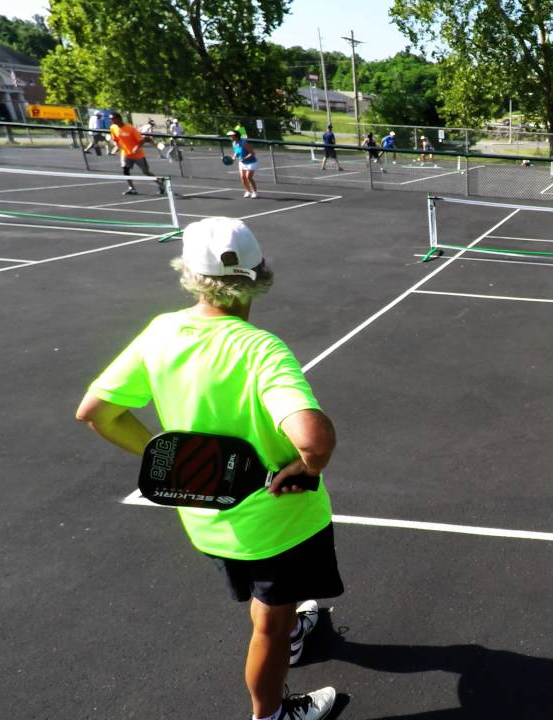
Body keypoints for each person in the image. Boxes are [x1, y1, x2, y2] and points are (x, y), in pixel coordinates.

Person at [75, 216, 342, 720]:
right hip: (278, 525)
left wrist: (173, 458)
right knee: (269, 627)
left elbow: (96, 412)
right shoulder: (260, 349)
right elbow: (313, 439)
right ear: (258, 274)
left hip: (207, 519)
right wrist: (308, 467)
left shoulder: (161, 332)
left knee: (272, 603)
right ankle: (271, 714)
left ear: (190, 274)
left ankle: (290, 627)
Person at [108, 112, 166, 197]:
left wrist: (136, 148)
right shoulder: (113, 128)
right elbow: (115, 139)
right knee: (125, 170)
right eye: (111, 119)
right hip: (125, 154)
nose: (112, 121)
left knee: (145, 172)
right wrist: (116, 146)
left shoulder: (130, 128)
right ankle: (132, 188)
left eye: (113, 119)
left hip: (137, 154)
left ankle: (160, 182)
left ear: (119, 118)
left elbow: (141, 140)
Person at [228, 130, 259, 199]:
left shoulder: (244, 143)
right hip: (242, 162)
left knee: (248, 177)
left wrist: (244, 158)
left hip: (251, 162)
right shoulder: (233, 143)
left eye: (231, 135)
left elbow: (252, 153)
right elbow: (237, 152)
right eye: (229, 136)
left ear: (235, 136)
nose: (229, 137)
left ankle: (254, 192)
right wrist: (234, 157)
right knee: (243, 177)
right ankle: (248, 191)